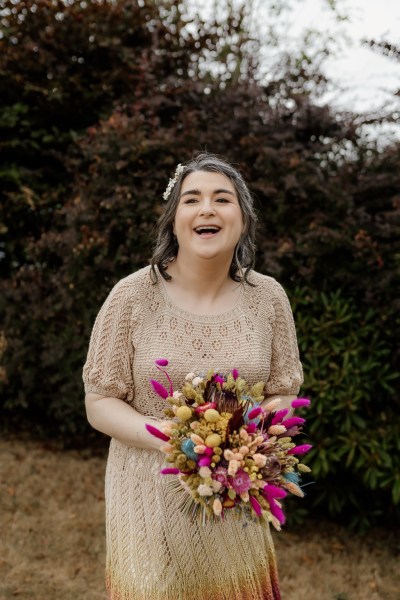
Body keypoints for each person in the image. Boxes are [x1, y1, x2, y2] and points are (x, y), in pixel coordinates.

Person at [83, 152, 303, 600]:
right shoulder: (131, 296)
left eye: (222, 199)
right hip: (147, 496)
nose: (207, 209)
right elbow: (99, 400)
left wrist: (244, 442)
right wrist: (167, 436)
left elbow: (284, 390)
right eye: (192, 199)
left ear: (242, 219)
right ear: (174, 219)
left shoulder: (269, 298)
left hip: (234, 499)